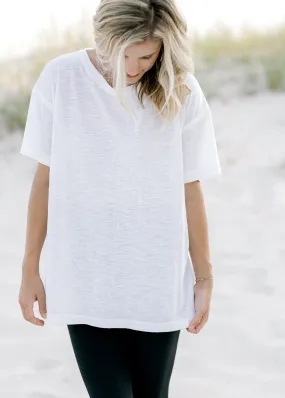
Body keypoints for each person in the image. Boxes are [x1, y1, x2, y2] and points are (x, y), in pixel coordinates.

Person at [18, 0, 221, 397]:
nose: (132, 67)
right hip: (85, 277)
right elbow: (45, 180)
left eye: (146, 55)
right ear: (102, 38)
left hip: (156, 279)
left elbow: (191, 189)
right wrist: (30, 268)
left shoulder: (181, 90)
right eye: (121, 53)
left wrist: (204, 277)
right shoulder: (61, 79)